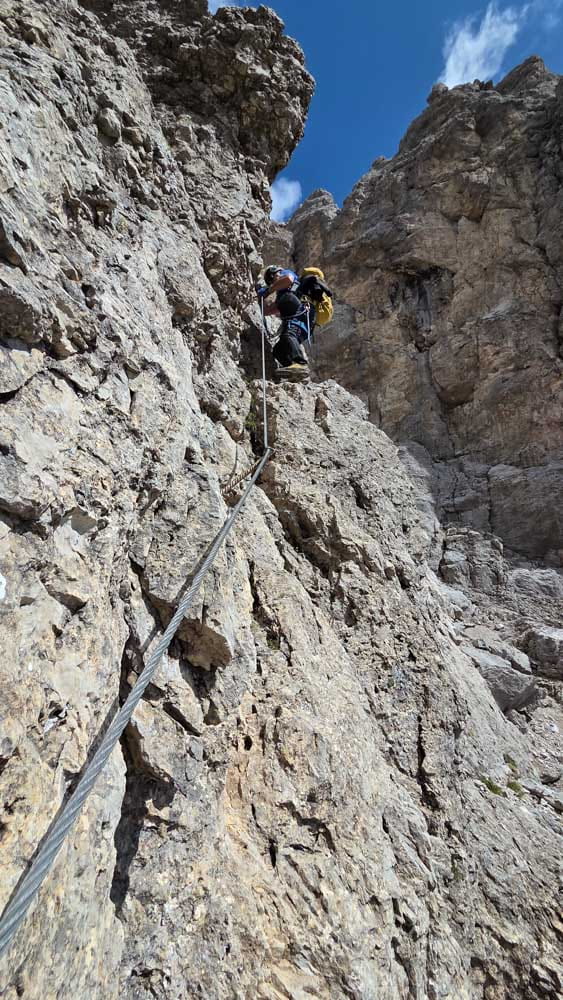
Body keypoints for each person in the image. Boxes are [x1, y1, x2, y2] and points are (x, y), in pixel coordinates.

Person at [257, 265, 312, 371]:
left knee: (288, 334)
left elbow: (288, 279)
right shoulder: (282, 295)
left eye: (272, 280)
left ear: (274, 273)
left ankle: (299, 363)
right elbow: (267, 311)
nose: (273, 283)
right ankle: (291, 368)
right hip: (292, 309)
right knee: (278, 350)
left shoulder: (286, 274)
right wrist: (261, 299)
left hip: (294, 305)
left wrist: (268, 290)